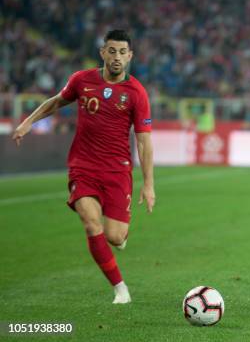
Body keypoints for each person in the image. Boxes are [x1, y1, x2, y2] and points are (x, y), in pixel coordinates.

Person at [12, 29, 155, 304]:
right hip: (83, 166)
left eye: (122, 52)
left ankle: (119, 238)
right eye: (111, 51)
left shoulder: (136, 93)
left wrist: (148, 184)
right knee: (91, 224)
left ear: (130, 56)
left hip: (117, 171)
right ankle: (120, 289)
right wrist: (28, 122)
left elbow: (144, 142)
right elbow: (55, 102)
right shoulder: (82, 80)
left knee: (115, 236)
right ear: (102, 53)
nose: (116, 57)